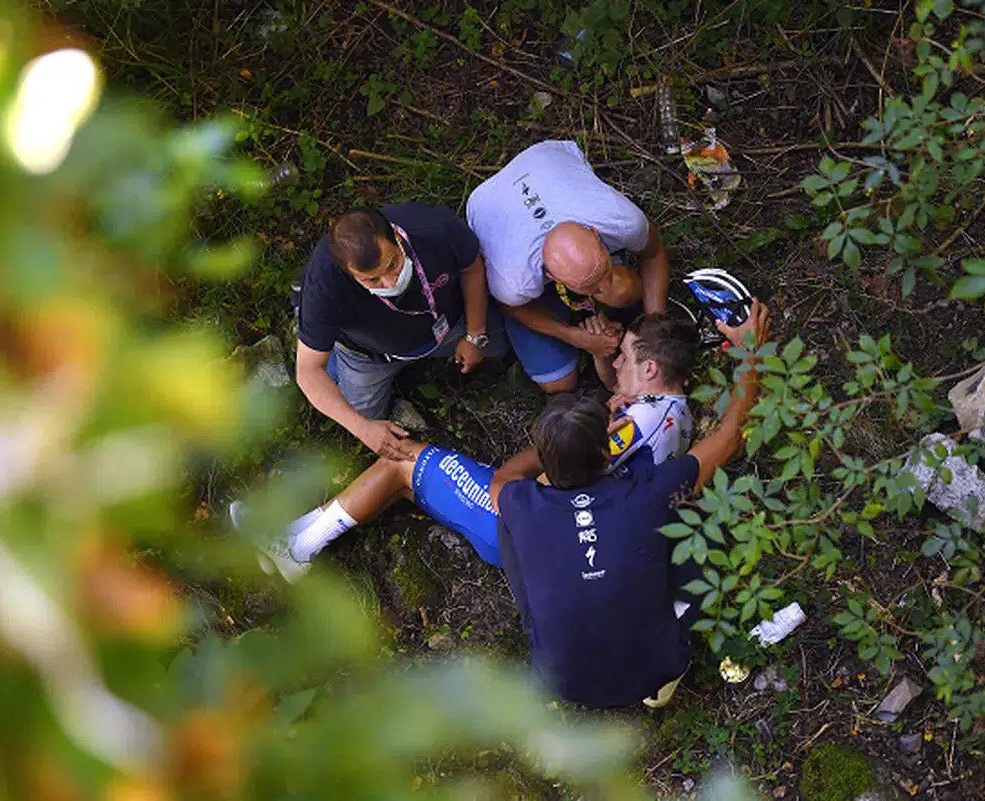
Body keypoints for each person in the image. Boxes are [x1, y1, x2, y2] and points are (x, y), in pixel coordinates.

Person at [236, 313, 702, 583]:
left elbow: (555, 478)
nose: (617, 358)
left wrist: (519, 473)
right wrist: (606, 363)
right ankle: (296, 534)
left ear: (652, 369)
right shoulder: (672, 412)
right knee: (410, 484)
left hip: (533, 531)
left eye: (626, 354)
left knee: (405, 461)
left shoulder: (633, 425)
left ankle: (296, 550)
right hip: (570, 541)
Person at [488, 300, 770, 709]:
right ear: (609, 451)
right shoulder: (650, 492)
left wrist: (557, 446)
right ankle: (663, 679)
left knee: (507, 530)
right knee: (702, 519)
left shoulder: (523, 505)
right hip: (653, 668)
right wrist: (750, 353)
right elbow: (730, 436)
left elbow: (502, 479)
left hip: (561, 681)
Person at [294, 205, 509, 460]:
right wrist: (363, 428)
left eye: (392, 264)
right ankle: (320, 341)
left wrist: (475, 333)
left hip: (447, 323)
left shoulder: (434, 226)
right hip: (369, 356)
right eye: (372, 280)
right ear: (349, 274)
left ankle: (318, 336)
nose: (390, 282)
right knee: (360, 416)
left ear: (396, 235)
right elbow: (307, 372)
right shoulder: (325, 284)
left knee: (501, 342)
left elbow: (471, 267)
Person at [466, 140, 671, 394]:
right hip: (487, 201)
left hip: (546, 156)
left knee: (621, 291)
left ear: (595, 234)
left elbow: (653, 253)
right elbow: (513, 307)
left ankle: (592, 288)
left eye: (604, 270)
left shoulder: (621, 219)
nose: (603, 286)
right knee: (559, 383)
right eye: (590, 286)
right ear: (550, 277)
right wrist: (575, 337)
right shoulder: (514, 281)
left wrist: (655, 330)